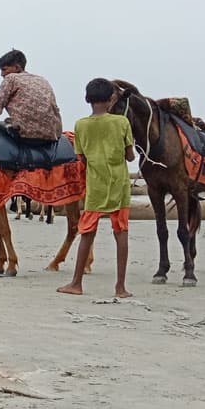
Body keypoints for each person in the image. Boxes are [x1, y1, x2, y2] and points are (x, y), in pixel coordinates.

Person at [58, 78, 136, 298]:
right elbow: (130, 156)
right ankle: (120, 287)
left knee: (87, 233)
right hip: (119, 185)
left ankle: (76, 283)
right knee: (121, 232)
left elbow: (81, 157)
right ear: (112, 98)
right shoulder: (121, 123)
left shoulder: (81, 125)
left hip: (96, 186)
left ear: (87, 99)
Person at [0, 49, 63, 147]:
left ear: (17, 67)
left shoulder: (11, 78)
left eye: (4, 69)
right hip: (51, 136)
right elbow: (55, 109)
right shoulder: (43, 81)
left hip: (27, 136)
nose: (2, 74)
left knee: (1, 125)